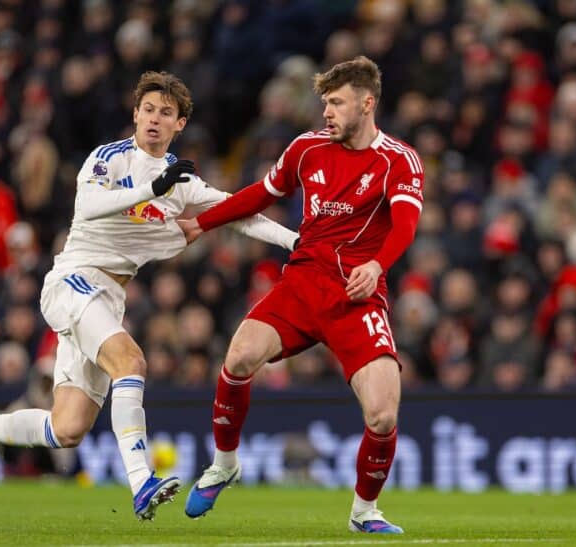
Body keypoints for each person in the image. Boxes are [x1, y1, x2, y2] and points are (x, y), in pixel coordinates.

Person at [0, 71, 298, 520]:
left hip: (107, 299)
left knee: (67, 428)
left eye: (166, 113)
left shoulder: (180, 182)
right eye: (148, 110)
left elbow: (240, 212)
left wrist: (294, 242)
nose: (155, 120)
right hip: (73, 280)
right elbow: (87, 207)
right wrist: (149, 191)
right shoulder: (110, 159)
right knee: (132, 362)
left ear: (180, 124)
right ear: (135, 114)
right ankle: (141, 483)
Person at [180, 57, 424, 534]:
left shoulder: (398, 159)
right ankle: (225, 464)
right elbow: (260, 194)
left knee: (381, 413)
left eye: (336, 103)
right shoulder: (307, 149)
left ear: (367, 103)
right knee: (239, 357)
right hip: (301, 284)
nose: (326, 112)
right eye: (324, 103)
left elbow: (407, 225)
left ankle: (363, 513)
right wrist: (200, 224)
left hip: (356, 296)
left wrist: (376, 266)